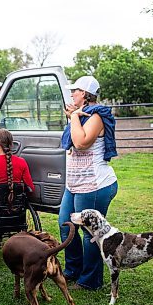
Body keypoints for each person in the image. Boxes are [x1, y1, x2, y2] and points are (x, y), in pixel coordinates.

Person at [58, 75, 118, 291]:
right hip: (74, 185)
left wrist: (73, 117)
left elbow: (81, 142)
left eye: (74, 90)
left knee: (90, 233)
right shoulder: (82, 115)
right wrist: (74, 117)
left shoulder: (97, 117)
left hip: (94, 185)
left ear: (84, 93)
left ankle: (90, 280)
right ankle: (73, 270)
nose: (71, 94)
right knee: (66, 225)